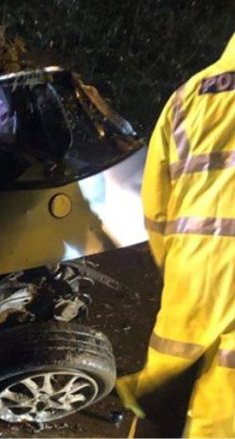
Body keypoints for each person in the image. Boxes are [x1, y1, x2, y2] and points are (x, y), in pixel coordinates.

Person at [116, 33, 235, 437]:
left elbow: (156, 205)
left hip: (191, 277)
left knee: (161, 401)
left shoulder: (190, 95)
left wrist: (177, 264)